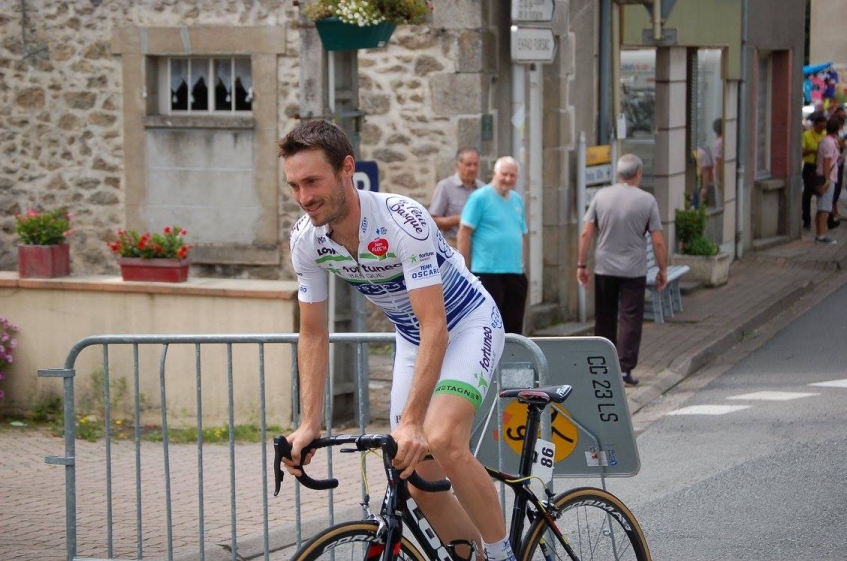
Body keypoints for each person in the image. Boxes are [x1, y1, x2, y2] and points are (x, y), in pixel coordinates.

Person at [278, 120, 516, 561]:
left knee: (441, 438)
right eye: (294, 185)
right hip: (412, 337)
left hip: (466, 323)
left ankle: (504, 554)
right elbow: (312, 332)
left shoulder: (403, 220)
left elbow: (435, 325)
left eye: (313, 181)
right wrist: (310, 422)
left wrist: (413, 420)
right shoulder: (307, 240)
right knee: (414, 475)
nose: (303, 197)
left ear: (346, 169)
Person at [576, 154, 667, 387]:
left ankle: (601, 366)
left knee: (604, 317)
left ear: (618, 173)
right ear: (638, 173)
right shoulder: (647, 200)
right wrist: (662, 269)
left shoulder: (601, 196)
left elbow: (586, 233)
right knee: (630, 318)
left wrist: (581, 264)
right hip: (633, 270)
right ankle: (624, 369)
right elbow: (657, 240)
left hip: (604, 267)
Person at [457, 156, 528, 335]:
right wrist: (464, 270)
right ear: (494, 173)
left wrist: (522, 264)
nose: (508, 179)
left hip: (514, 272)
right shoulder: (479, 198)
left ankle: (512, 354)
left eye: (512, 175)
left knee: (513, 329)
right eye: (504, 174)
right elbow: (464, 233)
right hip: (487, 271)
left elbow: (521, 234)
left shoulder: (517, 200)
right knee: (489, 328)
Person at [429, 147, 484, 246]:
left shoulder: (483, 188)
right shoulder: (445, 187)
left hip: (478, 246)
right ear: (457, 164)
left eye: (475, 164)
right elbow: (432, 221)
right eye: (468, 164)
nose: (473, 169)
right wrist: (459, 219)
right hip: (452, 245)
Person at [814, 117, 842, 245]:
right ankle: (821, 235)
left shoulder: (826, 141)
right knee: (825, 209)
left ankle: (819, 233)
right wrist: (827, 180)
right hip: (827, 177)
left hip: (822, 175)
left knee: (821, 208)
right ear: (837, 129)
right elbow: (827, 162)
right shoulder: (830, 143)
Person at [802, 112, 828, 230]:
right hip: (809, 167)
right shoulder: (807, 135)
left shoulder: (825, 135)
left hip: (821, 167)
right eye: (820, 126)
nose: (822, 128)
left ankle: (822, 220)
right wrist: (813, 151)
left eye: (824, 126)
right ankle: (806, 220)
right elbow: (802, 152)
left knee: (822, 194)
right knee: (807, 194)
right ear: (815, 125)